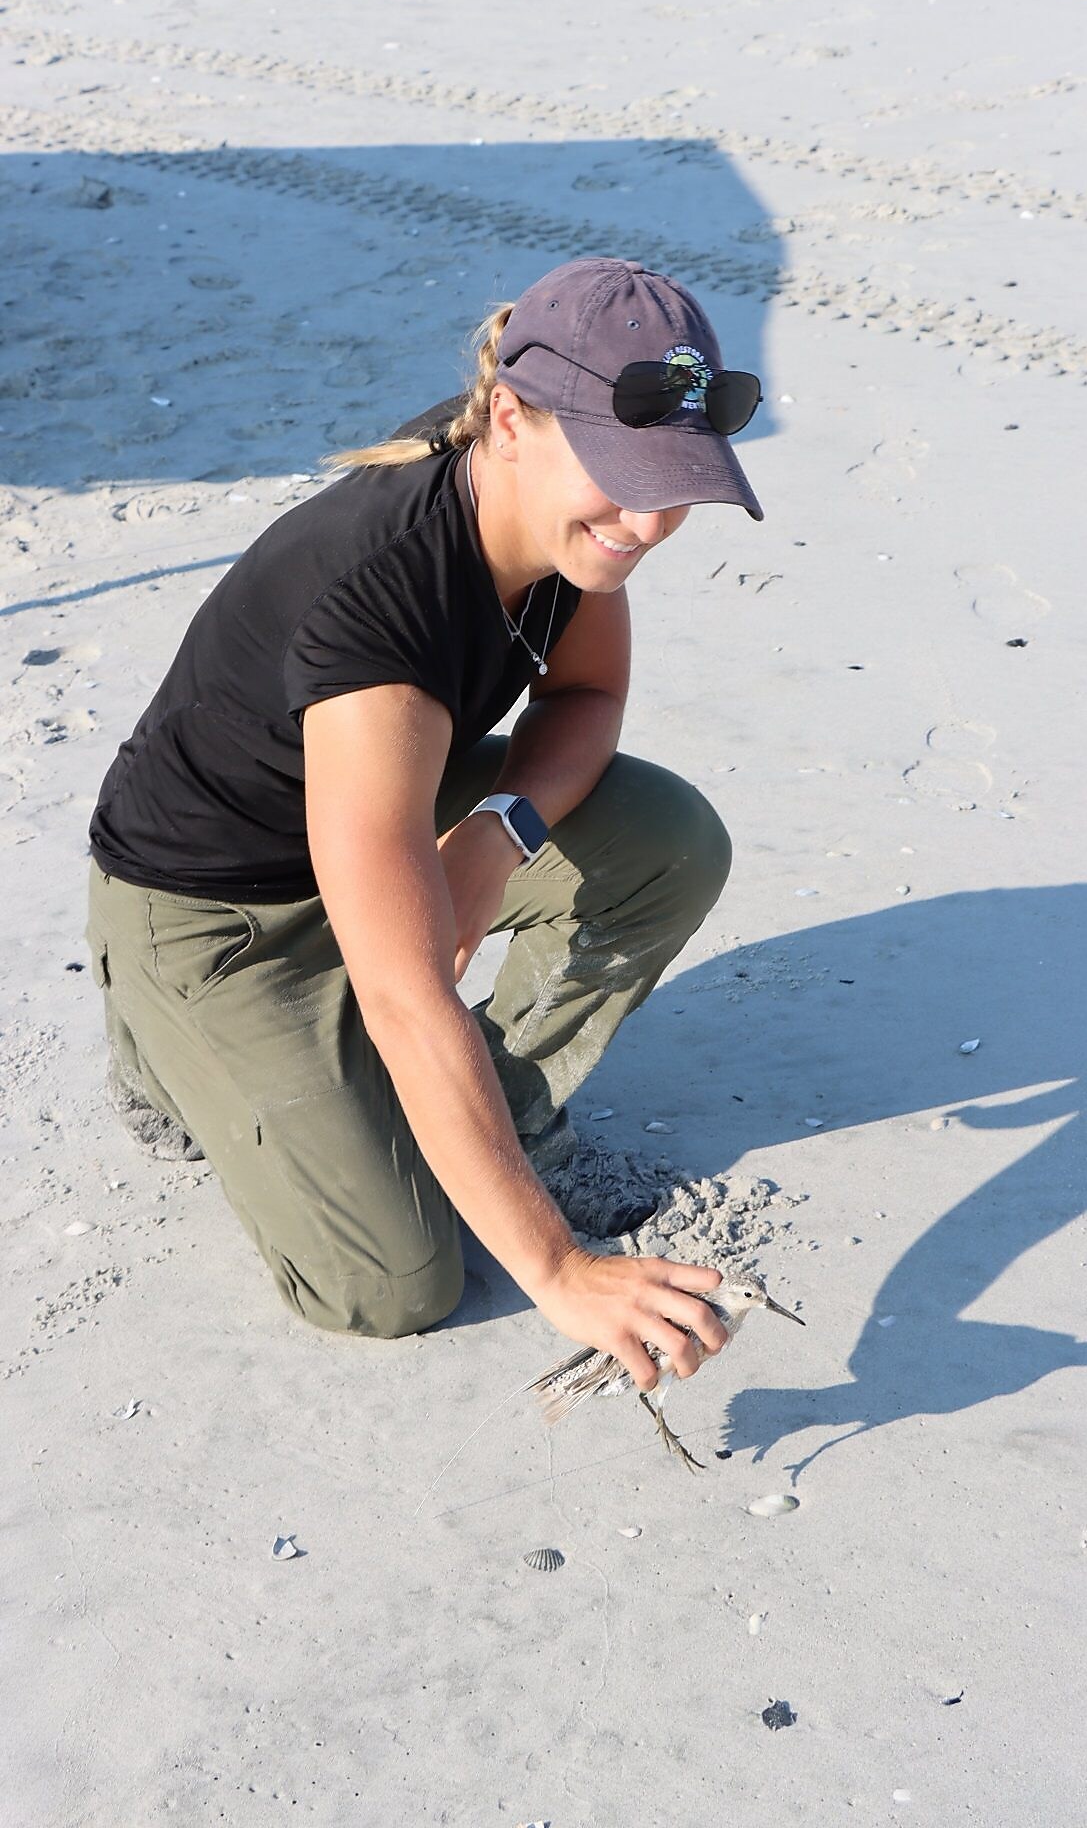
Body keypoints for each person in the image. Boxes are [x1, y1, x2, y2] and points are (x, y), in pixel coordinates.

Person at [84, 256, 765, 1398]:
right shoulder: (377, 618)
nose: (646, 521)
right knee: (392, 1286)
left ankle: (493, 1114)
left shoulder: (549, 512)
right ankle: (165, 1054)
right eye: (619, 473)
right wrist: (557, 1268)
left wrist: (492, 839)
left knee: (667, 839)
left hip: (387, 801)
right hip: (213, 913)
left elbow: (585, 702)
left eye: (672, 479)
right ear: (511, 418)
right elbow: (407, 995)